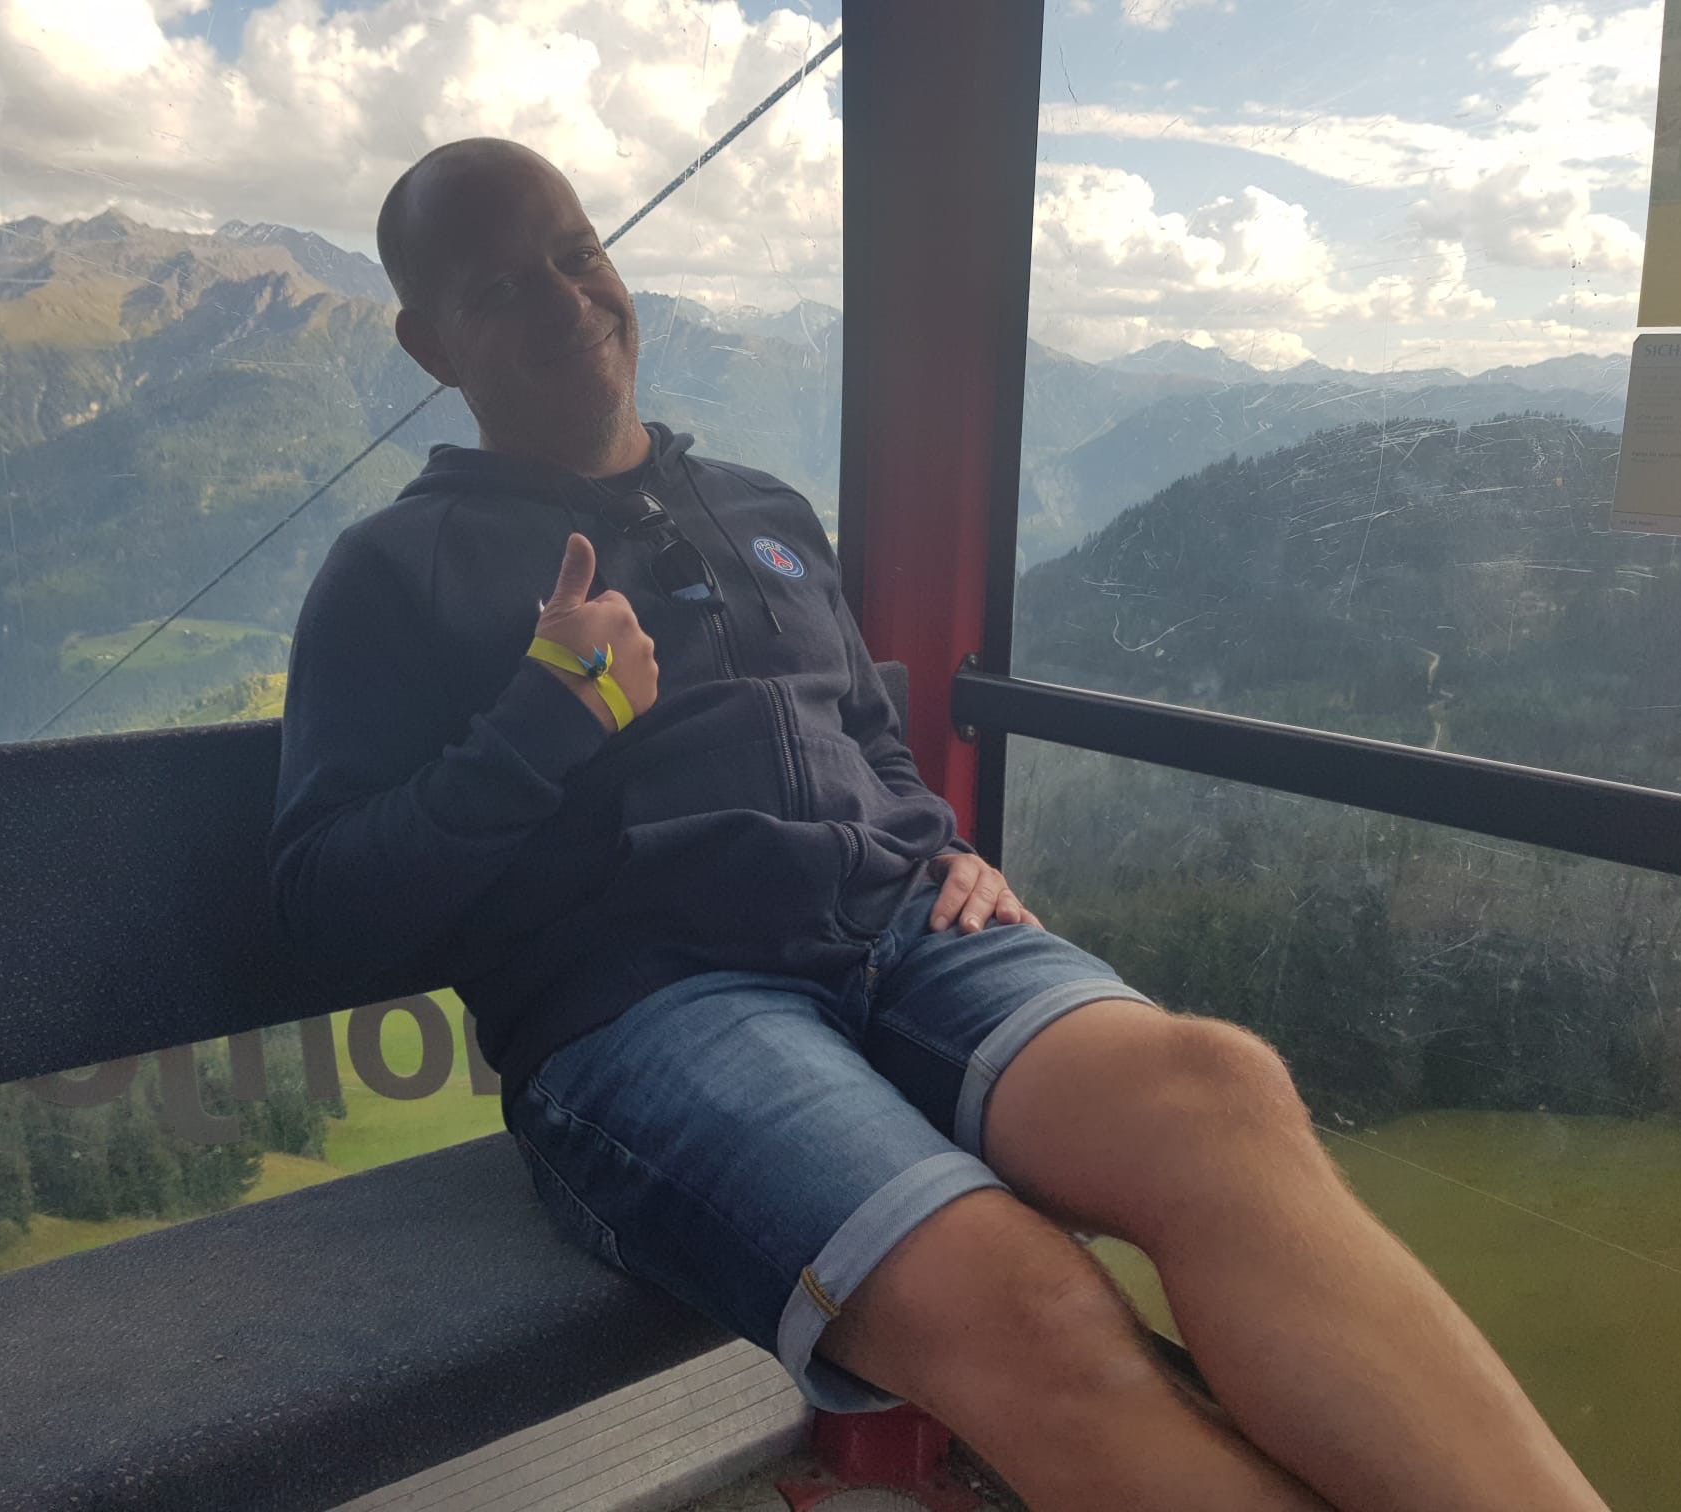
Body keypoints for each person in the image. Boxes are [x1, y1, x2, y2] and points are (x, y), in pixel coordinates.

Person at [270, 138, 1609, 1512]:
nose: (566, 301)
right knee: (1025, 1311)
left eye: (577, 253)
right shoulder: (394, 571)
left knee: (1219, 1094)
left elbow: (862, 730)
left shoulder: (760, 509)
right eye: (501, 289)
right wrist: (542, 722)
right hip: (651, 1010)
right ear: (430, 345)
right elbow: (325, 906)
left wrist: (939, 839)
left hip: (908, 931)